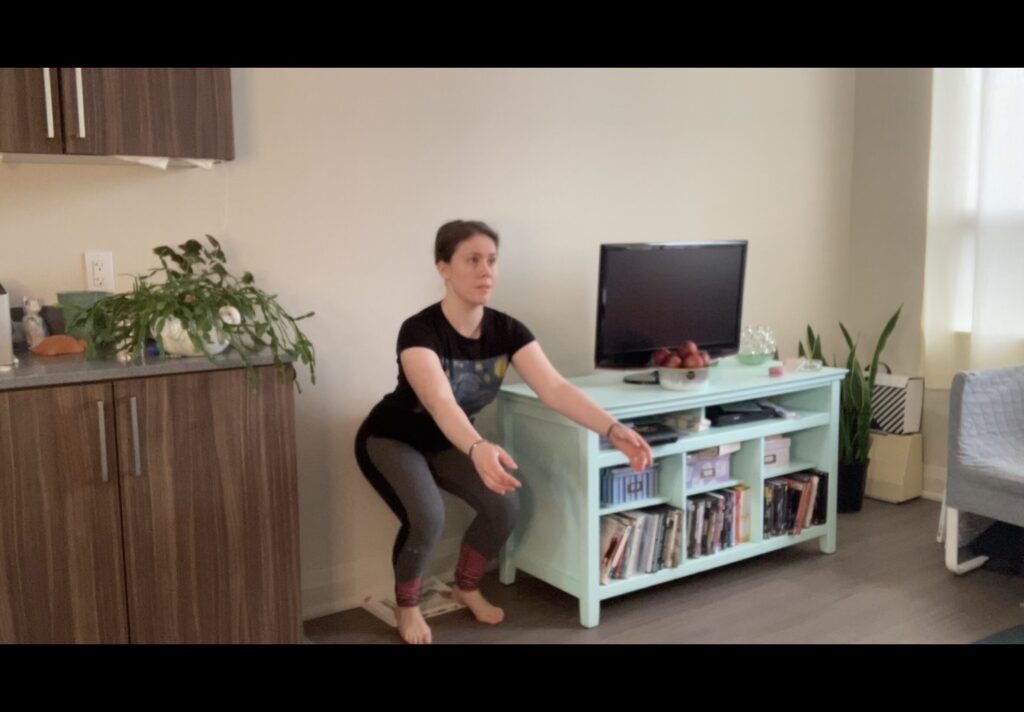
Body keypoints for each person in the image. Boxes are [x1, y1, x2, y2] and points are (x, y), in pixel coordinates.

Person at [354, 219, 654, 644]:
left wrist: (613, 428)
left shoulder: (507, 330)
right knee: (428, 516)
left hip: (449, 442)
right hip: (390, 439)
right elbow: (440, 402)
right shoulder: (420, 330)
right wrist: (477, 446)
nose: (486, 271)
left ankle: (466, 586)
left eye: (492, 260)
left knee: (504, 504)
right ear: (443, 268)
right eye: (472, 260)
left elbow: (554, 387)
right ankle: (407, 608)